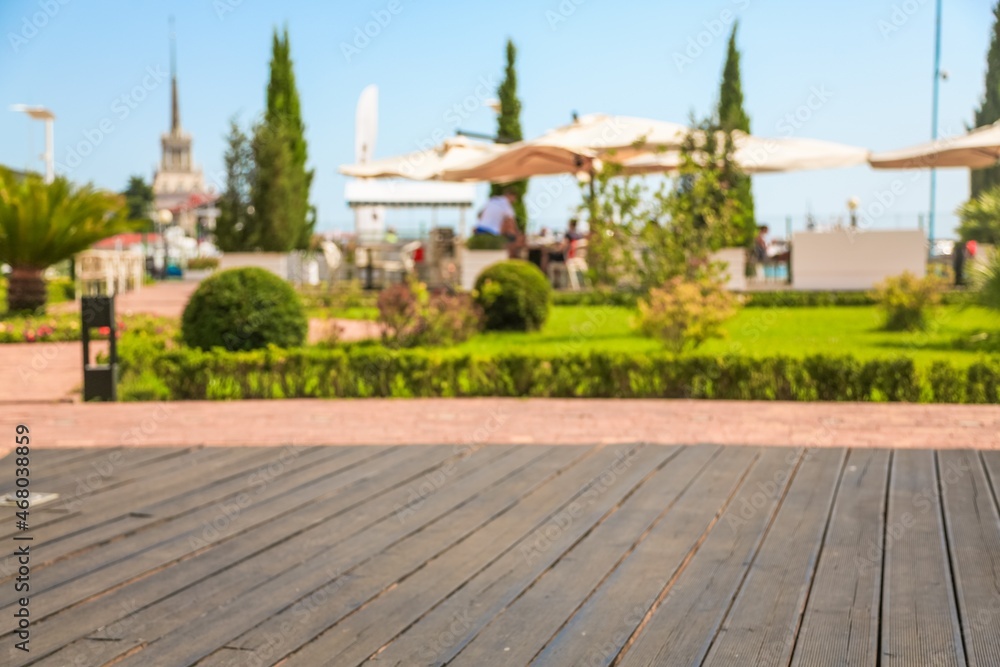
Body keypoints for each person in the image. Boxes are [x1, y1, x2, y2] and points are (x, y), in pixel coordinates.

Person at [474, 188, 524, 257]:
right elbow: (511, 222)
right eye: (514, 198)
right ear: (511, 196)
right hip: (492, 233)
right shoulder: (507, 205)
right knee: (512, 242)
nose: (514, 201)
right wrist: (517, 234)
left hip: (479, 229)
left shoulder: (493, 200)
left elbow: (479, 215)